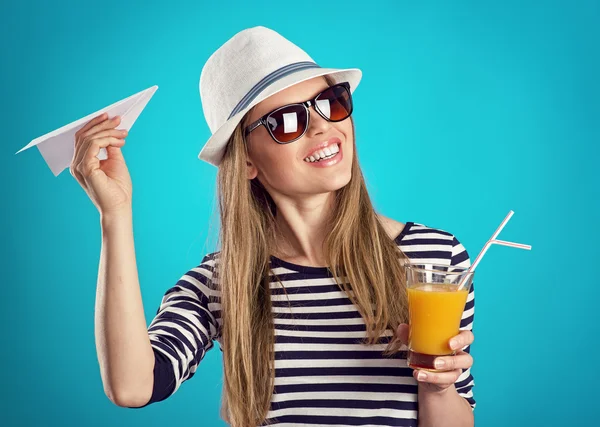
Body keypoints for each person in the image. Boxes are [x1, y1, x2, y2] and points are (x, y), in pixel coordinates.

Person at [72, 26, 475, 427]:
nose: (321, 128)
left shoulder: (432, 262)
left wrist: (438, 386)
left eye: (330, 103)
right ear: (247, 161)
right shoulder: (221, 281)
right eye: (285, 121)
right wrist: (115, 215)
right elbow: (133, 386)